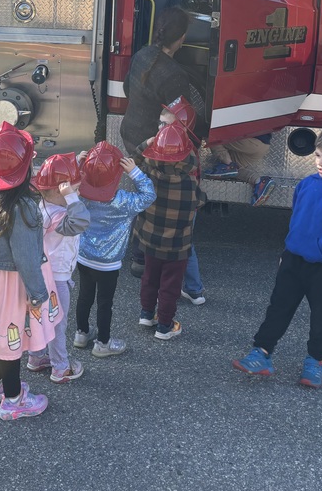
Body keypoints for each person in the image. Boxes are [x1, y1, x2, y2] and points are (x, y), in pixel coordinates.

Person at [231, 117, 322, 388]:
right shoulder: (306, 183)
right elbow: (298, 220)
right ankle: (261, 353)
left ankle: (314, 362)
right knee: (278, 308)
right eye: (319, 156)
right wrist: (287, 250)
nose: (321, 163)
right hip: (295, 261)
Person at [0, 122, 57, 420]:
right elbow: (26, 257)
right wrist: (37, 293)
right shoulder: (23, 207)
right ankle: (13, 399)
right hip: (14, 282)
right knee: (11, 337)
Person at [120, 6, 200, 276]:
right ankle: (142, 258)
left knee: (144, 191)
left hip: (130, 133)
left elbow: (125, 88)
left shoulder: (142, 54)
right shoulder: (175, 74)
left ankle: (139, 255)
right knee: (154, 197)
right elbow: (180, 120)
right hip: (154, 144)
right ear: (182, 38)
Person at [74, 142, 155, 357]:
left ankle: (81, 334)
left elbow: (63, 182)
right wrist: (135, 172)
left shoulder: (81, 195)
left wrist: (77, 163)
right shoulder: (123, 201)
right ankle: (103, 343)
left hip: (83, 256)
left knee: (84, 296)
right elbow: (149, 195)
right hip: (108, 263)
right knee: (104, 303)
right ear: (117, 174)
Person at [25, 153, 90, 383]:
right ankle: (61, 367)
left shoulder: (42, 206)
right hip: (57, 279)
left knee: (39, 318)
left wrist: (77, 163)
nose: (78, 194)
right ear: (58, 191)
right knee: (57, 323)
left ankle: (36, 357)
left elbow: (58, 177)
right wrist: (71, 198)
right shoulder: (62, 217)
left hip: (40, 275)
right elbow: (82, 221)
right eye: (75, 190)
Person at [133, 122, 201, 340]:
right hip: (176, 246)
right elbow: (199, 201)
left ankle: (146, 313)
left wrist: (146, 144)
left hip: (149, 240)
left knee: (150, 277)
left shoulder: (147, 175)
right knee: (170, 286)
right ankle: (164, 325)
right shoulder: (189, 182)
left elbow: (134, 161)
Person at [160, 98, 208, 306]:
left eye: (165, 123)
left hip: (177, 206)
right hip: (189, 205)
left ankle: (188, 289)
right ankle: (192, 289)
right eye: (160, 122)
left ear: (180, 127)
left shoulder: (177, 150)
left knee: (177, 246)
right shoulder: (188, 148)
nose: (159, 127)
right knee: (185, 245)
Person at [204, 134, 276, 206]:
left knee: (208, 131)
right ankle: (259, 181)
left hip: (250, 141)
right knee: (234, 167)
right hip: (264, 146)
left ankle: (228, 164)